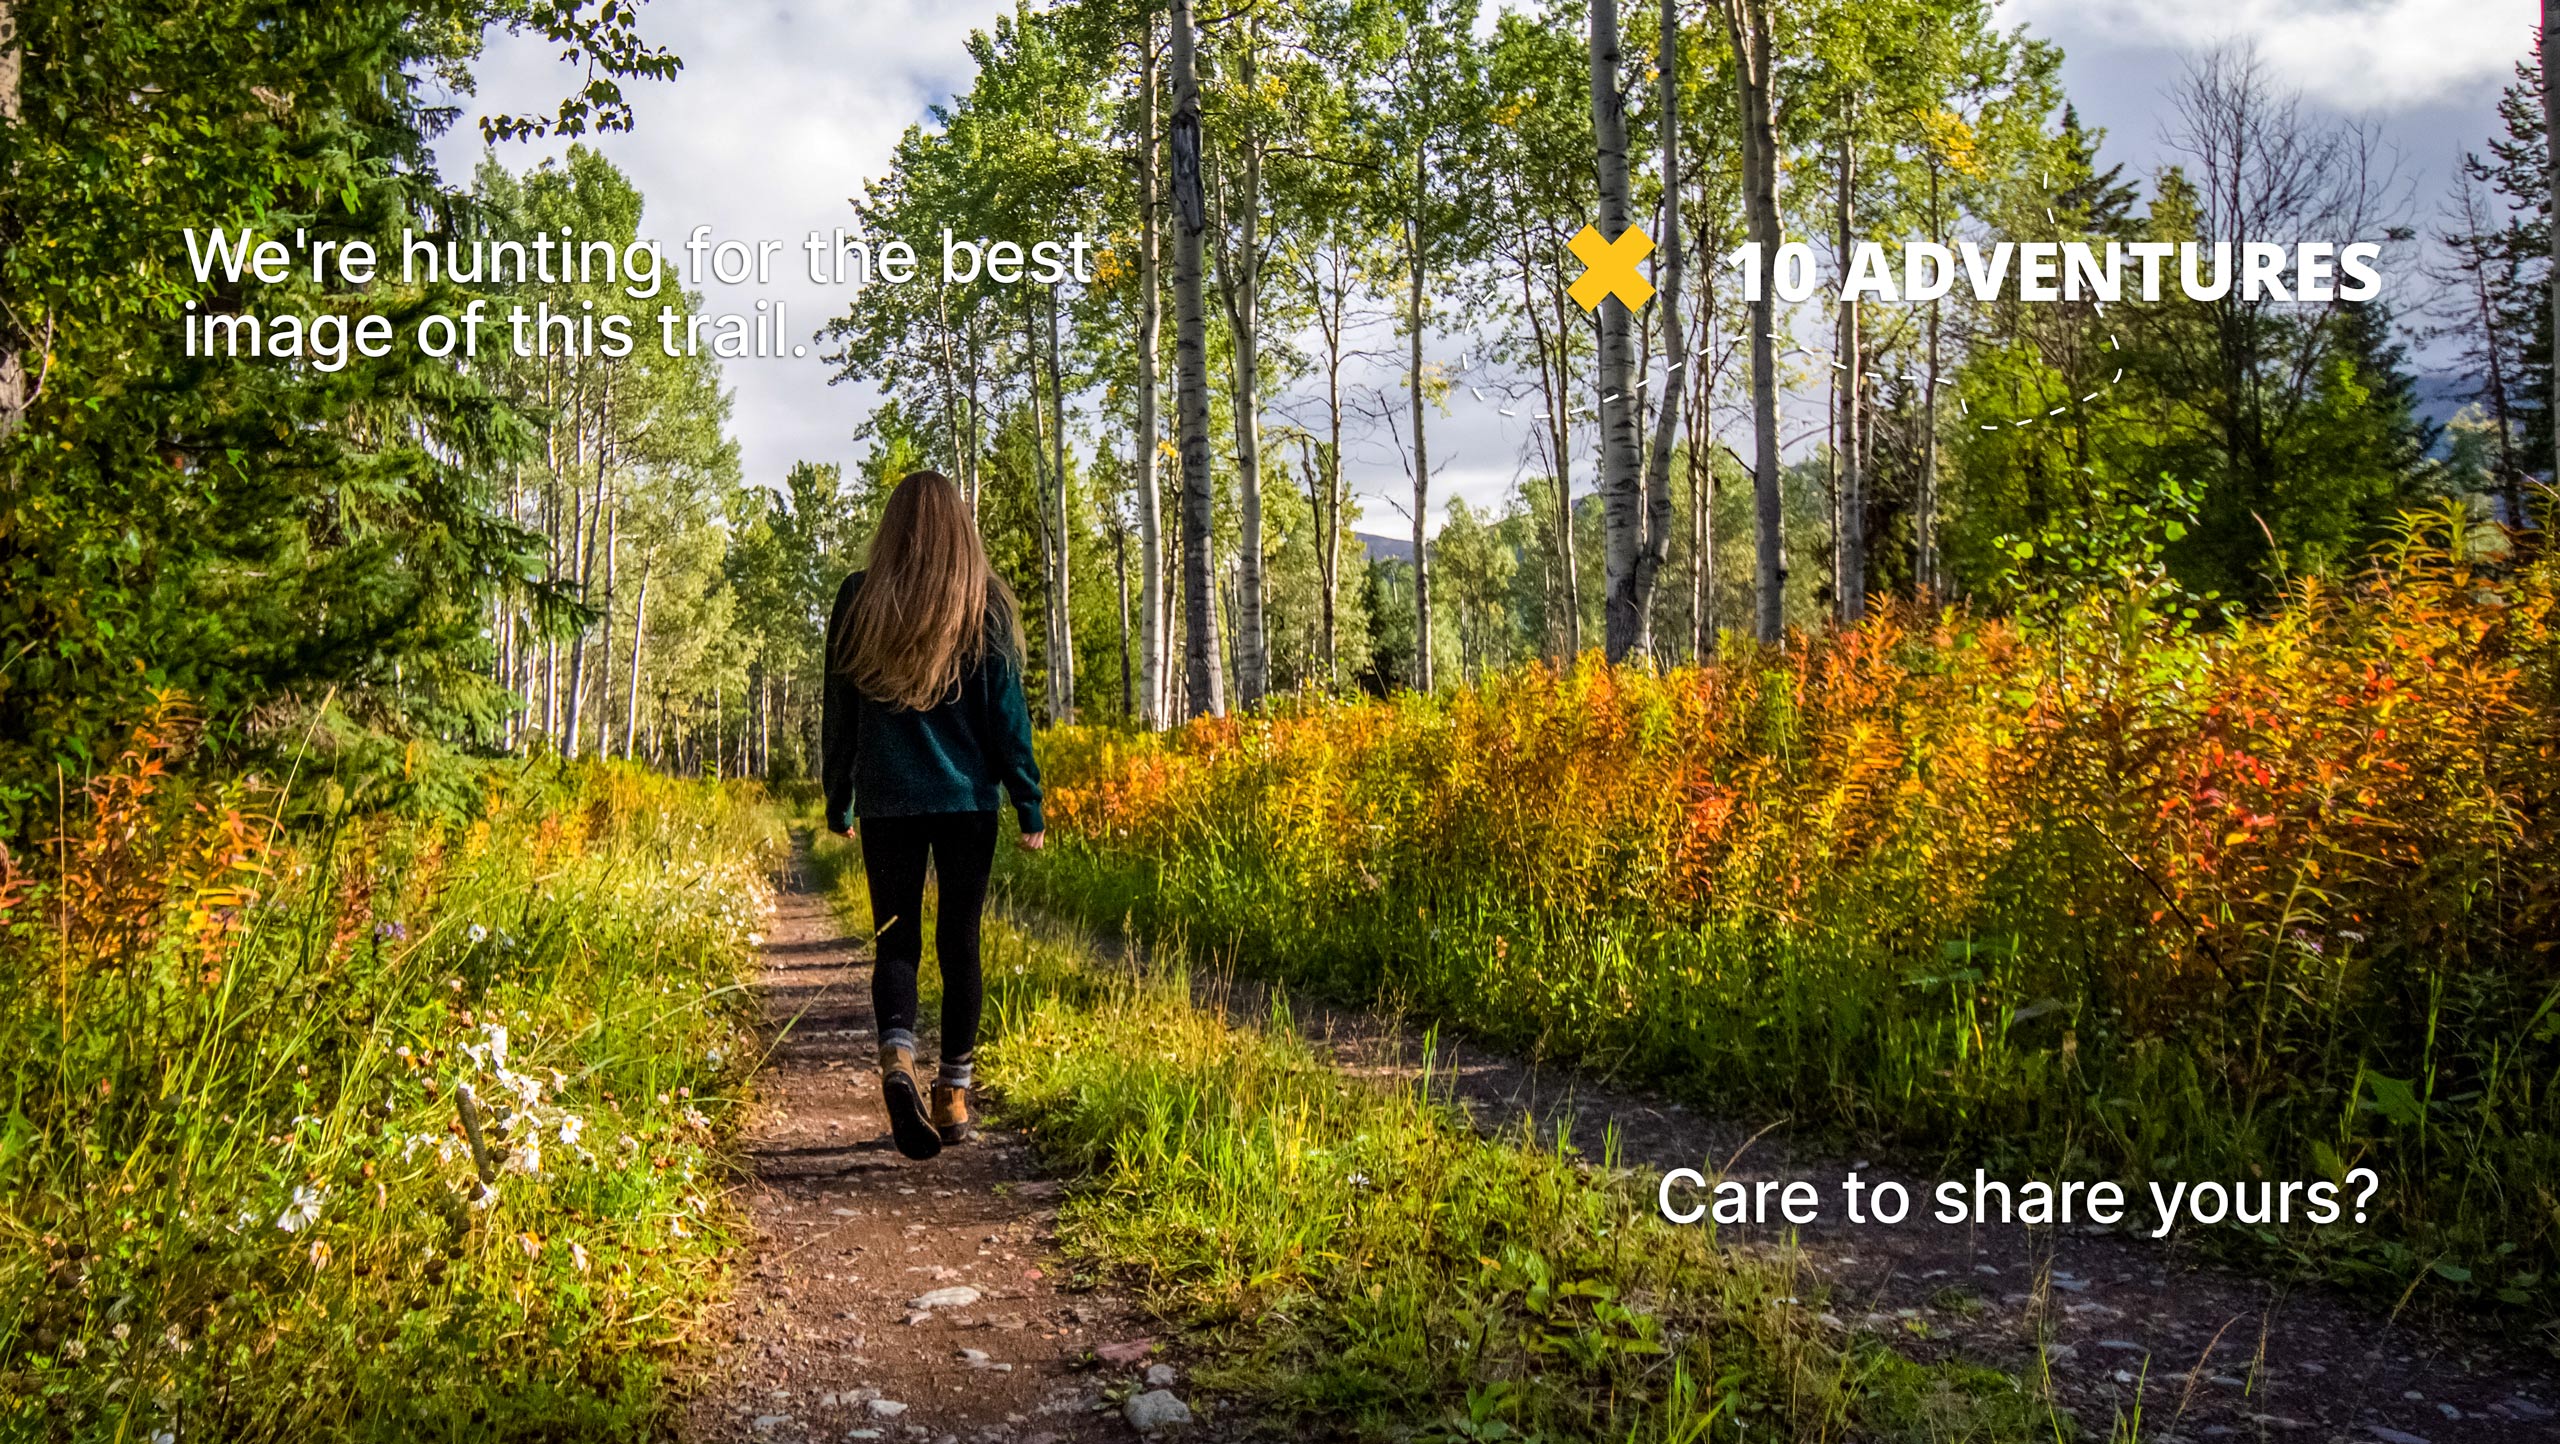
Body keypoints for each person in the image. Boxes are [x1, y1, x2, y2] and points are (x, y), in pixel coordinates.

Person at [822, 469, 1044, 1161]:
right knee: (960, 941)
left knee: (896, 941)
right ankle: (953, 1092)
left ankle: (896, 1058)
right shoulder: (986, 606)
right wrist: (1028, 798)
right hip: (966, 803)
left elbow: (840, 714)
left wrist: (840, 794)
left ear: (893, 529)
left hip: (889, 800)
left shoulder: (859, 598)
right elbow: (1008, 720)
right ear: (961, 527)